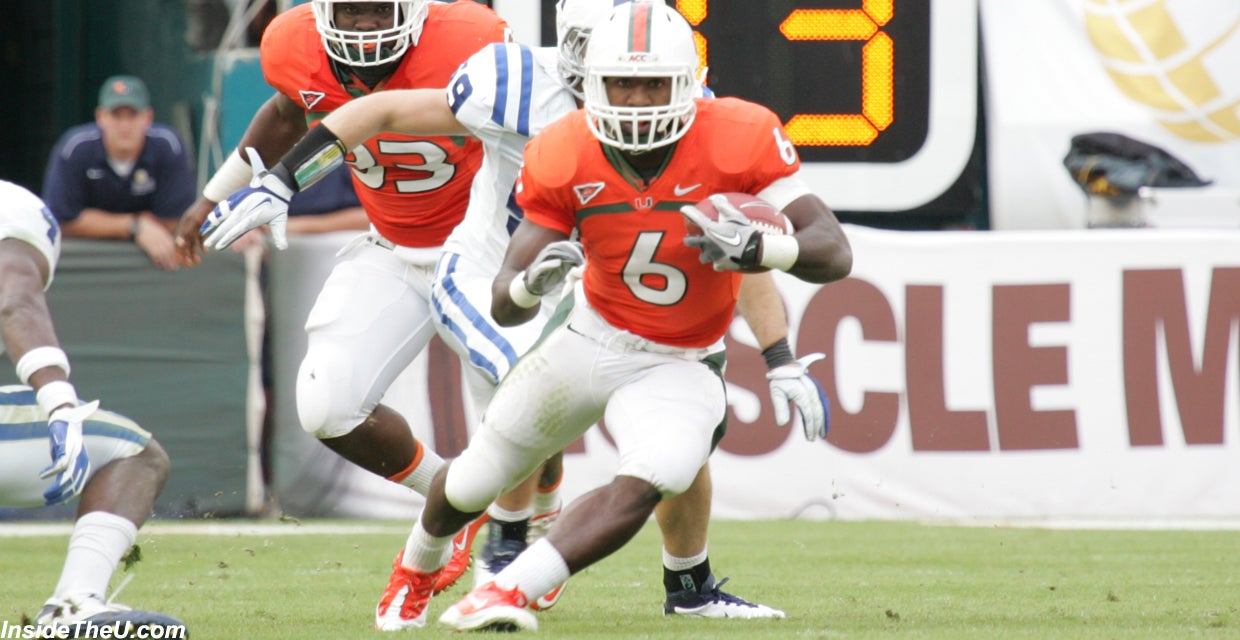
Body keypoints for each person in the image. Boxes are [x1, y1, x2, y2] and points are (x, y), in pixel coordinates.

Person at [196, 0, 832, 627]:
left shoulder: (707, 123)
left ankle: (676, 581)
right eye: (607, 72)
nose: (632, 97)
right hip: (491, 267)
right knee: (510, 407)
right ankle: (486, 552)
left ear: (680, 77)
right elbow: (379, 111)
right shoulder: (521, 92)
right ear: (568, 52)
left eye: (650, 82)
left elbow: (736, 243)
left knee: (685, 424)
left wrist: (777, 355)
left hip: (606, 290)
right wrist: (280, 179)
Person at [172, 0, 511, 618]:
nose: (364, 27)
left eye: (378, 10)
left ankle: (518, 555)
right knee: (326, 403)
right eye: (350, 12)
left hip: (484, 250)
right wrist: (212, 196)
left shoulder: (471, 38)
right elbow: (283, 114)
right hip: (391, 250)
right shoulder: (293, 43)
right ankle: (449, 493)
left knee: (516, 416)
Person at [0, 179, 185, 636]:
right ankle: (74, 604)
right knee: (138, 454)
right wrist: (59, 401)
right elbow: (16, 300)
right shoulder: (16, 211)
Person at [41, 75, 196, 272]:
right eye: (116, 115)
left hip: (152, 272)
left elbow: (177, 220)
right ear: (100, 117)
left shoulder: (168, 145)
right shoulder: (74, 148)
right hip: (87, 268)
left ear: (148, 118)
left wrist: (95, 222)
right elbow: (62, 221)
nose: (124, 126)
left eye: (133, 115)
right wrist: (135, 226)